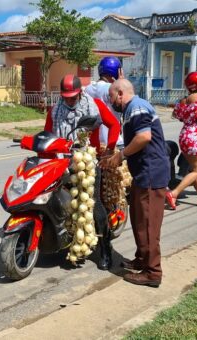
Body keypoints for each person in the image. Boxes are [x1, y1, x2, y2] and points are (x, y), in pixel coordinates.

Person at [44, 74, 120, 270]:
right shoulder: (54, 110)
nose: (69, 100)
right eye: (66, 97)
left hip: (87, 163)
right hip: (61, 163)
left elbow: (114, 124)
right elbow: (47, 135)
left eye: (73, 96)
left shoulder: (94, 105)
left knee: (93, 206)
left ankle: (105, 249)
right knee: (60, 202)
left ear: (80, 93)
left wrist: (110, 148)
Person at [104, 79, 170, 287]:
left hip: (151, 173)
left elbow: (143, 137)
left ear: (121, 93)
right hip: (143, 174)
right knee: (139, 220)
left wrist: (121, 155)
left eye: (111, 97)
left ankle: (153, 272)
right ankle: (142, 259)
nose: (110, 102)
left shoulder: (137, 107)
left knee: (148, 224)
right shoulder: (133, 108)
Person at [165, 71, 197, 209]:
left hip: (184, 136)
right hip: (196, 137)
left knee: (195, 169)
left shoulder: (182, 102)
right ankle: (174, 193)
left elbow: (177, 115)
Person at [84, 56, 124, 148]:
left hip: (94, 142)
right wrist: (122, 83)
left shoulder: (88, 89)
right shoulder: (112, 88)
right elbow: (125, 105)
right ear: (117, 71)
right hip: (113, 140)